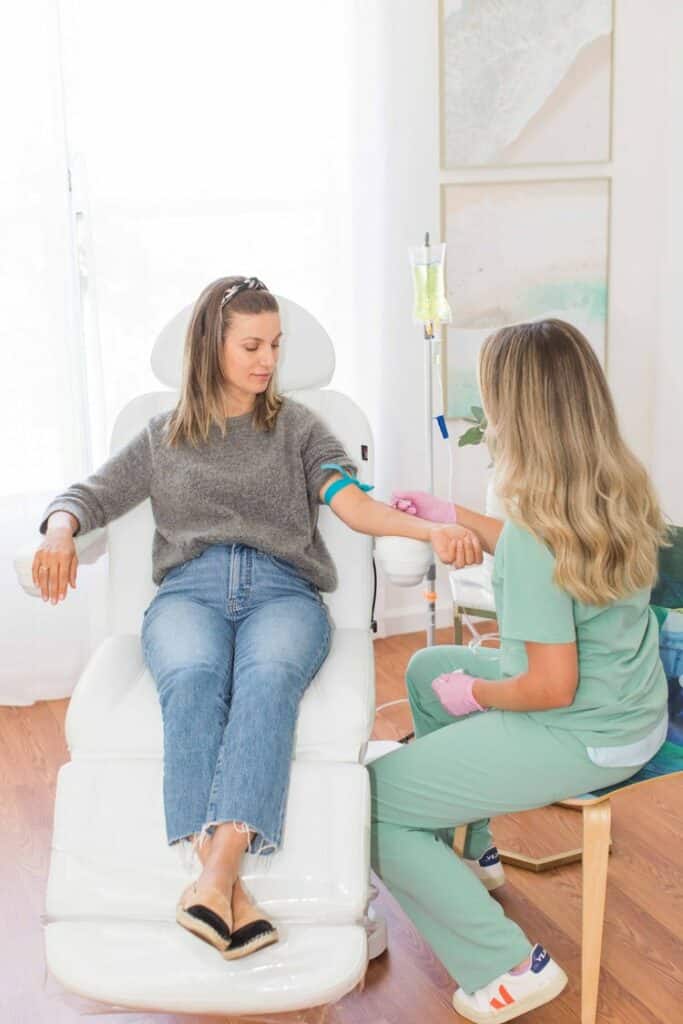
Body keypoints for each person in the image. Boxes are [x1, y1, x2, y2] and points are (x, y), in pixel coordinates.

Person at [33, 274, 478, 962]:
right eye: (251, 344)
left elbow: (352, 505)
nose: (267, 359)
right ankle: (224, 888)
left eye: (273, 344)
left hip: (284, 592)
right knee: (192, 676)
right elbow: (89, 494)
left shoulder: (298, 428)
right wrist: (60, 531)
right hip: (189, 590)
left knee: (269, 682)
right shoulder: (162, 435)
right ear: (212, 345)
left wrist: (426, 534)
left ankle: (213, 876)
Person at [372, 319, 670, 1022]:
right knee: (424, 667)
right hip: (632, 709)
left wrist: (474, 693)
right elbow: (550, 559)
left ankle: (507, 967)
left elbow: (546, 686)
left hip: (574, 727)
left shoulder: (538, 531)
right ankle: (474, 854)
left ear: (515, 410)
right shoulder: (617, 486)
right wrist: (458, 516)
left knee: (372, 802)